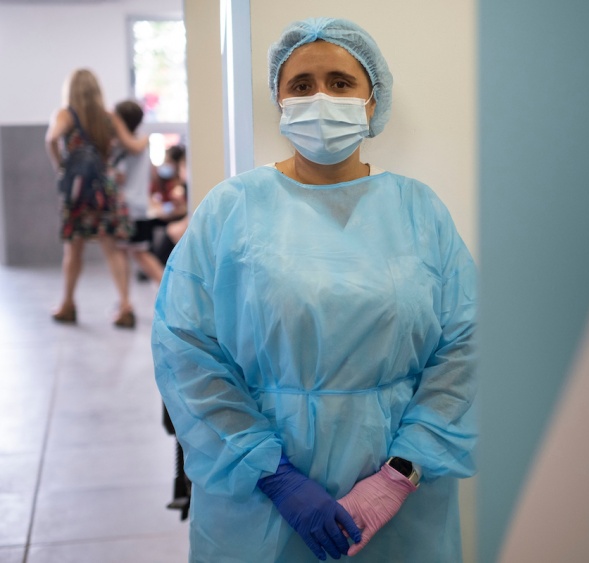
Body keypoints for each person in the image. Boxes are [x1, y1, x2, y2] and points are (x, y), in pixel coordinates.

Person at [152, 17, 477, 562]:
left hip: (401, 506)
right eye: (301, 85)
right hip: (259, 508)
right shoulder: (232, 210)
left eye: (341, 83)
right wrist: (272, 474)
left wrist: (400, 474)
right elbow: (187, 352)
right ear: (280, 101)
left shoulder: (419, 212)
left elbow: (466, 350)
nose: (320, 98)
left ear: (372, 100)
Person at [45, 68, 147, 328]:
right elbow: (133, 146)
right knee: (112, 249)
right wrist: (146, 139)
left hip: (78, 192)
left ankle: (68, 304)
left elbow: (51, 138)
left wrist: (62, 168)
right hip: (104, 192)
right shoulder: (108, 117)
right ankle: (125, 306)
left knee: (73, 250)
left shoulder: (65, 115)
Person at [112, 100, 163, 284]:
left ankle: (168, 290)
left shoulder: (123, 148)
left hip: (128, 207)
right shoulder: (142, 141)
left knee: (133, 253)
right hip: (140, 205)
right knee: (138, 253)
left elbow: (120, 176)